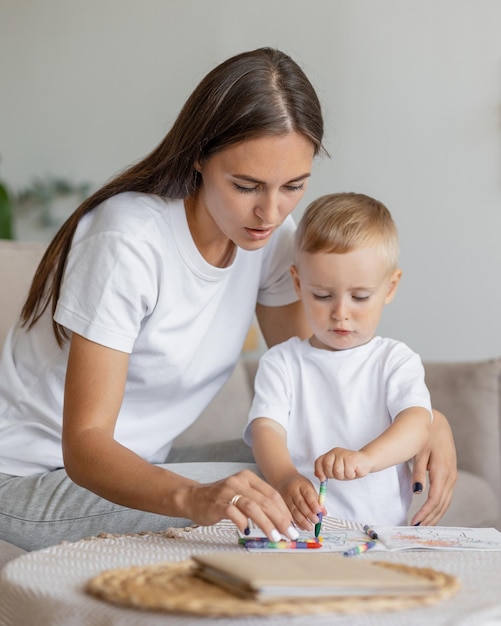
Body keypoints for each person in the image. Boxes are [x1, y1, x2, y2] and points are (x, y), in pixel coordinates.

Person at [0, 49, 455, 552]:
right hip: (29, 478)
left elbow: (320, 380)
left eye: (294, 187)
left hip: (149, 462)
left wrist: (426, 421)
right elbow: (84, 448)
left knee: (310, 477)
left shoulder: (275, 238)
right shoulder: (127, 241)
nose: (270, 211)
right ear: (198, 155)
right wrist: (197, 499)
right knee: (268, 503)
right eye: (245, 185)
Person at [244, 192, 434, 527]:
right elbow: (266, 429)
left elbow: (417, 424)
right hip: (301, 526)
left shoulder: (395, 360)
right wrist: (286, 477)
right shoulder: (282, 362)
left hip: (382, 529)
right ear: (298, 284)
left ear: (390, 288)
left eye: (360, 297)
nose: (340, 314)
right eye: (322, 295)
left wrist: (366, 459)